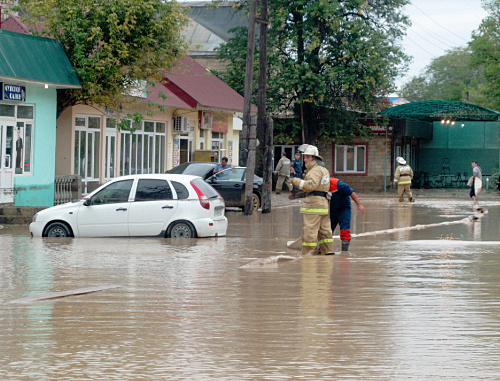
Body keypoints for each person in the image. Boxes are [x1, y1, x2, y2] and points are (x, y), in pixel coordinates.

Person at [290, 145, 334, 255]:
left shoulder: (314, 171)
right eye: (304, 157)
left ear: (314, 158)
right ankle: (328, 253)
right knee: (325, 232)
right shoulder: (324, 170)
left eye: (307, 157)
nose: (305, 159)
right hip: (323, 205)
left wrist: (295, 181)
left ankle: (308, 257)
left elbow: (311, 186)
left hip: (313, 206)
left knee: (309, 231)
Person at [329, 177, 366, 251]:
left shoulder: (339, 184)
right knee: (328, 229)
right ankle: (326, 248)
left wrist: (359, 205)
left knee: (344, 229)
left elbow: (351, 192)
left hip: (344, 208)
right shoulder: (319, 186)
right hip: (332, 209)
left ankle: (344, 252)